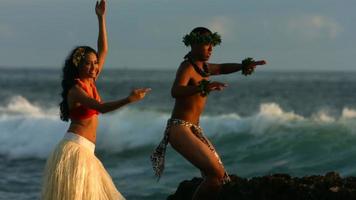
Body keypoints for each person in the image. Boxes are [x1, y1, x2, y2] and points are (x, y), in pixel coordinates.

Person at [41, 1, 151, 199]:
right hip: (75, 151)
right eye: (88, 64)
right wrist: (129, 99)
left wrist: (101, 18)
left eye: (95, 63)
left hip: (87, 152)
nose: (94, 67)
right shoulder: (76, 90)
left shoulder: (91, 81)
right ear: (78, 66)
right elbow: (100, 107)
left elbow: (104, 49)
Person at [151, 27, 266, 200]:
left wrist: (243, 65)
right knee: (215, 175)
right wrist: (203, 86)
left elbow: (222, 67)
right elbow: (176, 90)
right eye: (206, 45)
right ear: (194, 44)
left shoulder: (204, 68)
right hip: (180, 129)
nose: (210, 49)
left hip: (193, 130)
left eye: (213, 45)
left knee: (218, 177)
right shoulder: (187, 67)